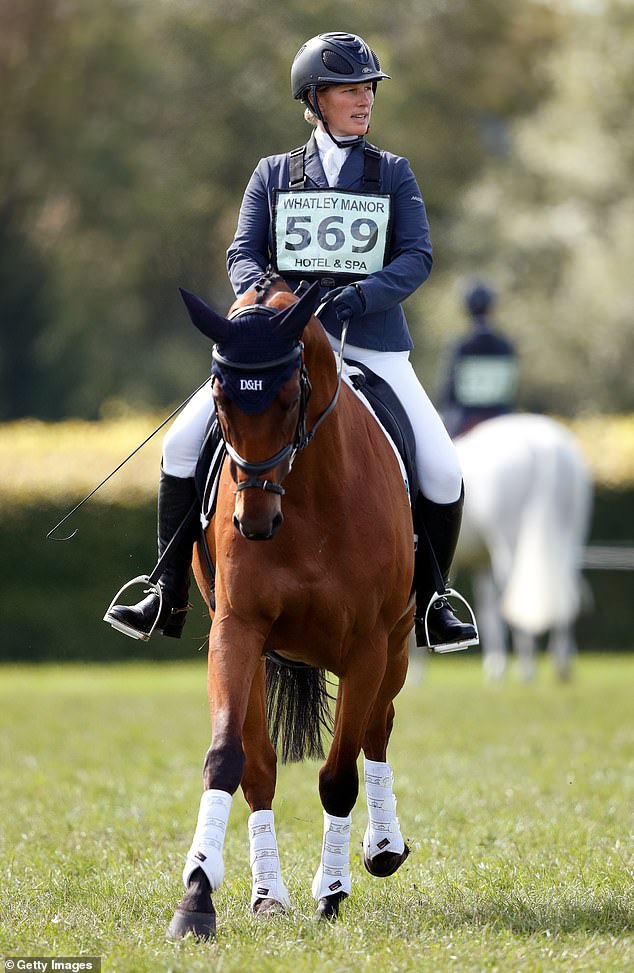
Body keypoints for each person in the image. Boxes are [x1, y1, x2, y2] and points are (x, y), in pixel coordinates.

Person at [105, 30, 476, 651]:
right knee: (179, 444)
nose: (364, 101)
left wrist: (359, 297)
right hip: (280, 348)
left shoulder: (393, 174)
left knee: (442, 469)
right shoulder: (273, 174)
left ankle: (435, 599)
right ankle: (165, 588)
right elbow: (243, 254)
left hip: (371, 349)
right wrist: (275, 305)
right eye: (349, 90)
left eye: (368, 90)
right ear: (314, 99)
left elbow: (417, 256)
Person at [439, 280, 518, 438]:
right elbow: (511, 387)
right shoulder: (506, 344)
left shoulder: (460, 345)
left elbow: (449, 389)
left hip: (465, 417)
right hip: (500, 414)